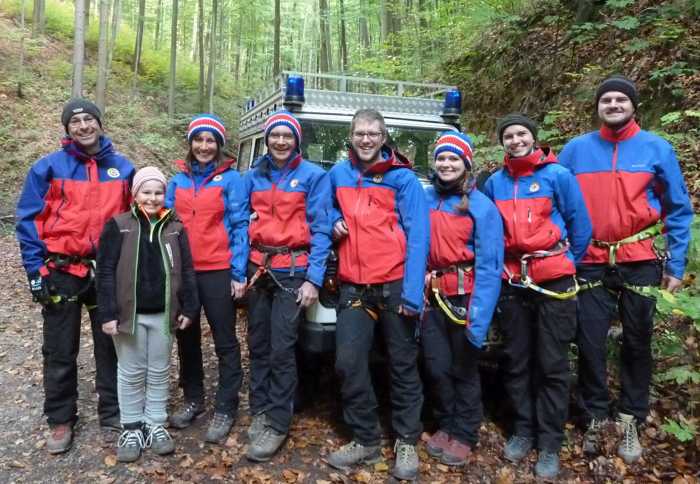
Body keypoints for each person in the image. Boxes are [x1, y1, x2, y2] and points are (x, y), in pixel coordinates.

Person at [559, 75, 693, 464]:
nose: (614, 104)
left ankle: (631, 416)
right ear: (598, 106)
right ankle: (595, 413)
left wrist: (677, 262)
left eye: (621, 99)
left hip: (641, 259)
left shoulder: (656, 148)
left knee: (637, 339)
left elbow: (679, 208)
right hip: (590, 260)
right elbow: (554, 194)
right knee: (589, 340)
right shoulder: (576, 150)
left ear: (634, 105)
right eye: (607, 100)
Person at [15, 99, 134, 454]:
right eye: (75, 121)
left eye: (89, 119)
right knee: (59, 349)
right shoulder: (48, 168)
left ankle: (112, 413)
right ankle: (61, 419)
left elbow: (137, 219)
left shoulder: (123, 168)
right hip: (62, 268)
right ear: (67, 128)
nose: (83, 126)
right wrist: (35, 270)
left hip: (107, 271)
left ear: (100, 123)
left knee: (111, 345)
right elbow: (29, 220)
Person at [483, 113, 592, 479]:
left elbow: (581, 226)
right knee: (516, 360)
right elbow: (486, 227)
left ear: (533, 138)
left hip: (553, 282)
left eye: (521, 134)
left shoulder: (557, 175)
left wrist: (563, 263)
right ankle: (523, 430)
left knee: (552, 364)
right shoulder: (495, 183)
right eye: (509, 135)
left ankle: (550, 442)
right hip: (513, 282)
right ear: (502, 143)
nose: (515, 140)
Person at [327, 109, 430, 482]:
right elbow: (320, 211)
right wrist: (331, 223)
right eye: (360, 133)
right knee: (348, 363)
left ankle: (406, 440)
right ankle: (366, 438)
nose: (366, 139)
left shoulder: (402, 179)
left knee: (403, 364)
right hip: (354, 285)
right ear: (350, 136)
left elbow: (419, 236)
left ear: (384, 136)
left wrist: (414, 293)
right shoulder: (338, 173)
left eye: (373, 133)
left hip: (395, 283)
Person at [242, 110, 332, 462]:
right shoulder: (254, 176)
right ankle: (261, 408)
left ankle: (278, 421)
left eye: (287, 135)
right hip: (258, 267)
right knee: (258, 342)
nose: (280, 141)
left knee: (282, 347)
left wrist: (314, 278)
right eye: (275, 135)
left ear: (297, 140)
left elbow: (322, 227)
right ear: (267, 140)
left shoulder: (313, 176)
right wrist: (240, 269)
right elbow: (239, 221)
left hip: (293, 270)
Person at [96, 167, 199, 462]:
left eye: (158, 192)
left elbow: (188, 270)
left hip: (164, 314)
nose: (152, 198)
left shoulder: (175, 227)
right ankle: (131, 426)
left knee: (158, 370)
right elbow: (104, 272)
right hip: (129, 315)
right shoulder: (118, 226)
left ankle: (155, 423)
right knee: (130, 372)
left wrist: (189, 307)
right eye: (146, 192)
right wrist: (108, 312)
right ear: (135, 193)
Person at [422, 132, 503, 466]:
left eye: (453, 159)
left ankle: (466, 432)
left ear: (466, 164)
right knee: (437, 366)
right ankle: (446, 423)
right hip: (432, 296)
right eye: (441, 158)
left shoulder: (481, 207)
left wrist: (479, 317)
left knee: (463, 368)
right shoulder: (425, 199)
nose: (446, 164)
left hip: (465, 297)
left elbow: (490, 264)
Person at [165, 114, 248, 444]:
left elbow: (241, 225)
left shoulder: (231, 179)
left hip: (218, 269)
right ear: (190, 143)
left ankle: (226, 406)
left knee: (225, 339)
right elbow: (167, 227)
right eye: (198, 139)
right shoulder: (177, 181)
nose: (203, 145)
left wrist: (239, 272)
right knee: (186, 337)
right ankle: (193, 399)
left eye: (210, 140)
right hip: (184, 271)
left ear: (219, 145)